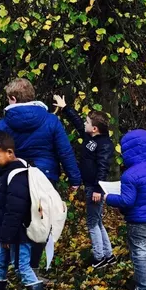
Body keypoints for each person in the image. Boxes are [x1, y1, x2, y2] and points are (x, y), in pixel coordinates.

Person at [0, 78, 81, 273]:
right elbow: (65, 151)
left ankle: (18, 265)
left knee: (16, 219)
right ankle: (33, 269)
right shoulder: (50, 120)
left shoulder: (4, 124)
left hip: (14, 178)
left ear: (13, 98)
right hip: (45, 178)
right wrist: (74, 179)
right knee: (41, 222)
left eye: (8, 99)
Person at [104, 130, 146, 290]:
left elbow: (127, 201)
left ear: (128, 151)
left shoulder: (130, 175)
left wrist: (108, 197)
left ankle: (143, 289)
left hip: (137, 221)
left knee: (139, 254)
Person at [0, 131, 46, 290]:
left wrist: (7, 236)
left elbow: (15, 210)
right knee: (0, 261)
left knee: (21, 267)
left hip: (18, 234)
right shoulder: (8, 172)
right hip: (8, 232)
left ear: (10, 152)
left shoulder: (17, 176)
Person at [52, 94, 115, 268]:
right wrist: (65, 108)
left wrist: (97, 189)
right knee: (97, 221)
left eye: (88, 123)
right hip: (90, 186)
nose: (85, 124)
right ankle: (108, 255)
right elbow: (78, 123)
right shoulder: (90, 138)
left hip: (95, 189)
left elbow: (103, 168)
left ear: (95, 128)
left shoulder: (105, 144)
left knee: (92, 223)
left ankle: (99, 257)